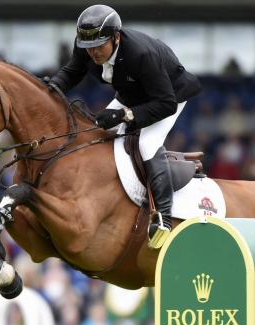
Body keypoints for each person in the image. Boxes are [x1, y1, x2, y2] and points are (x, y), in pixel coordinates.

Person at [49, 4, 201, 248]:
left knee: (146, 142)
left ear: (116, 37)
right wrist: (48, 89)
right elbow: (71, 73)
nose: (94, 53)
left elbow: (165, 104)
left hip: (169, 95)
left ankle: (163, 218)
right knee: (97, 133)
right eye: (89, 47)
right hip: (132, 92)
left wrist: (125, 116)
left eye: (99, 46)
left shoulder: (140, 54)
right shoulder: (86, 46)